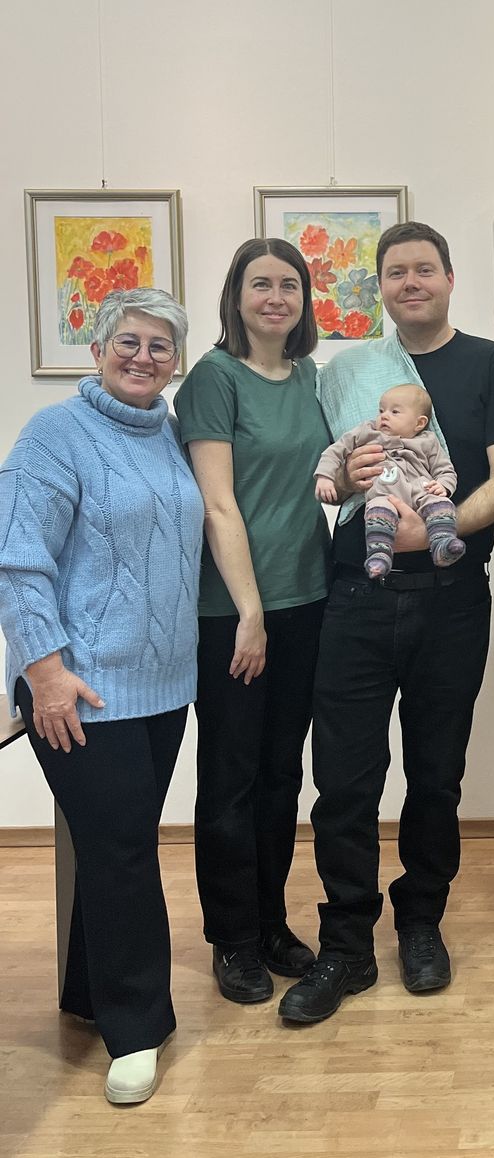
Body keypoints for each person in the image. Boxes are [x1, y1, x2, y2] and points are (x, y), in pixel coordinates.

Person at [277, 222, 494, 1023]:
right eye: (395, 272)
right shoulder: (348, 371)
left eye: (424, 269)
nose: (410, 282)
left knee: (436, 774)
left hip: (453, 598)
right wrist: (344, 478)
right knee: (345, 780)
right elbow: (325, 477)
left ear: (452, 278)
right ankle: (346, 943)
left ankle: (421, 922)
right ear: (379, 287)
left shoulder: (492, 363)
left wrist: (441, 527)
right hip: (353, 595)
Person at [0, 288, 201, 1104]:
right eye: (129, 341)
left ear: (176, 362)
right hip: (80, 686)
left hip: (163, 685)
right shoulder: (54, 434)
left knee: (113, 840)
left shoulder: (172, 434)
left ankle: (88, 991)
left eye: (160, 346)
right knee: (122, 851)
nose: (143, 357)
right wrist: (43, 670)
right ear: (97, 349)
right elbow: (18, 559)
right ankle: (135, 1029)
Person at [174, 238, 331, 1007]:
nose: (276, 297)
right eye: (261, 284)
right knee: (232, 778)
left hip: (309, 601)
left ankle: (271, 922)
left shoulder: (308, 379)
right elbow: (217, 504)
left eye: (290, 285)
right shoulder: (212, 378)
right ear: (236, 296)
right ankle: (232, 938)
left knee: (281, 775)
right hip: (233, 614)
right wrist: (249, 612)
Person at [314, 383, 465, 576]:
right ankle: (379, 555)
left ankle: (442, 543)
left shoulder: (428, 441)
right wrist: (325, 477)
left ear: (419, 423)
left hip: (421, 490)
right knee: (377, 512)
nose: (384, 416)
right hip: (384, 493)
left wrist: (443, 485)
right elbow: (334, 452)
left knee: (442, 504)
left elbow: (446, 470)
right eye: (381, 410)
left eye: (395, 412)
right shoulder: (367, 432)